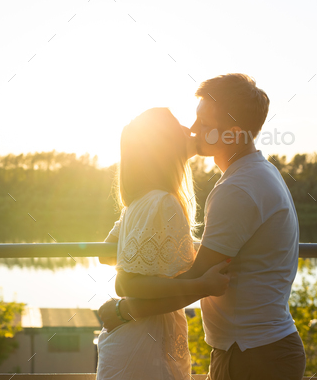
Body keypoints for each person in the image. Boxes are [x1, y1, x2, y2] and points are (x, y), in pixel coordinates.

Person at [98, 74, 306, 380]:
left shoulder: (238, 189)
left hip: (253, 355)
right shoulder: (255, 174)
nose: (194, 130)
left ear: (233, 133)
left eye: (204, 123)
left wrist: (122, 311)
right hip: (252, 348)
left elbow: (196, 280)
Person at [95, 107, 231, 380]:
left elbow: (106, 254)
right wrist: (202, 285)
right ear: (166, 145)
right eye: (179, 126)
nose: (190, 130)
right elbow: (125, 283)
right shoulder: (162, 202)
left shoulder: (138, 201)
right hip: (145, 347)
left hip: (137, 341)